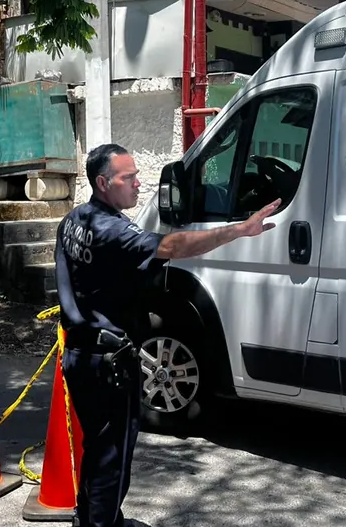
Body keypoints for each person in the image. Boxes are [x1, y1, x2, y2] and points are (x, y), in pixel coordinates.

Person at [53, 143, 280, 527]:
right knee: (113, 457)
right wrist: (239, 230)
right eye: (129, 178)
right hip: (108, 365)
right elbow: (171, 246)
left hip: (80, 356)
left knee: (98, 447)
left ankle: (93, 517)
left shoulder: (75, 220)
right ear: (104, 182)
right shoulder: (112, 230)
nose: (139, 184)